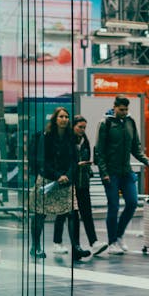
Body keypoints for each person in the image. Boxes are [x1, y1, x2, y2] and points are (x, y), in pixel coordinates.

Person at [94, 95, 149, 254]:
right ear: (114, 107)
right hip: (111, 173)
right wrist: (104, 173)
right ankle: (112, 242)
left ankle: (119, 235)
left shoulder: (130, 122)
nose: (124, 112)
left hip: (126, 171)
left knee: (132, 202)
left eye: (126, 109)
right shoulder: (105, 123)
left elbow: (135, 147)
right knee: (114, 206)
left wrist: (146, 161)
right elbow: (99, 152)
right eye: (121, 109)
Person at [29, 107, 89, 261]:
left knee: (71, 213)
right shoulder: (46, 136)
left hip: (66, 181)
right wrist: (57, 176)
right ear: (55, 119)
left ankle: (76, 246)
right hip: (48, 180)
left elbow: (74, 160)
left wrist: (67, 175)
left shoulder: (71, 137)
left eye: (66, 116)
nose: (64, 119)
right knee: (40, 213)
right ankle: (35, 246)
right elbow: (42, 161)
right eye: (61, 116)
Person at [52, 115, 108, 257]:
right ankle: (58, 242)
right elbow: (63, 161)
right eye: (80, 127)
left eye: (84, 127)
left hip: (83, 181)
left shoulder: (84, 141)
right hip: (69, 182)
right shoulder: (67, 141)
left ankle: (93, 242)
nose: (82, 130)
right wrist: (76, 166)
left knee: (86, 212)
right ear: (73, 126)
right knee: (65, 212)